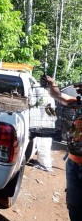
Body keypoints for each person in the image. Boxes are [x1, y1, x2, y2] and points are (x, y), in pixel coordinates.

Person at [41, 75, 81, 221]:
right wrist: (52, 84)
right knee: (73, 204)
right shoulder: (77, 103)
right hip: (73, 162)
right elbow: (57, 95)